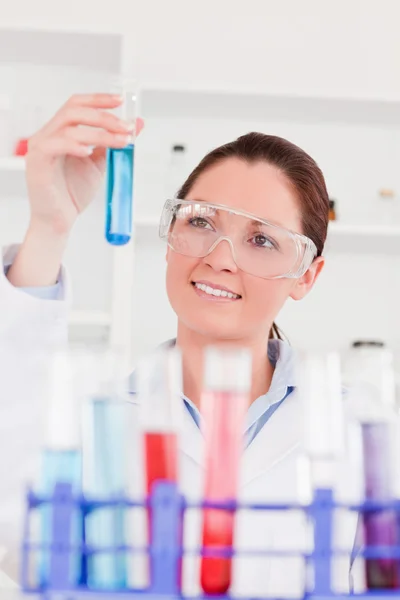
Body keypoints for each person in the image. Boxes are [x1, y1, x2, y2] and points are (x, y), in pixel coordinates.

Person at [0, 94, 360, 595]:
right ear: (170, 232)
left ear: (306, 275)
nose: (220, 258)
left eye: (261, 240)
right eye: (201, 221)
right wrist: (49, 226)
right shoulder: (99, 423)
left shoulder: (359, 433)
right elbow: (21, 539)